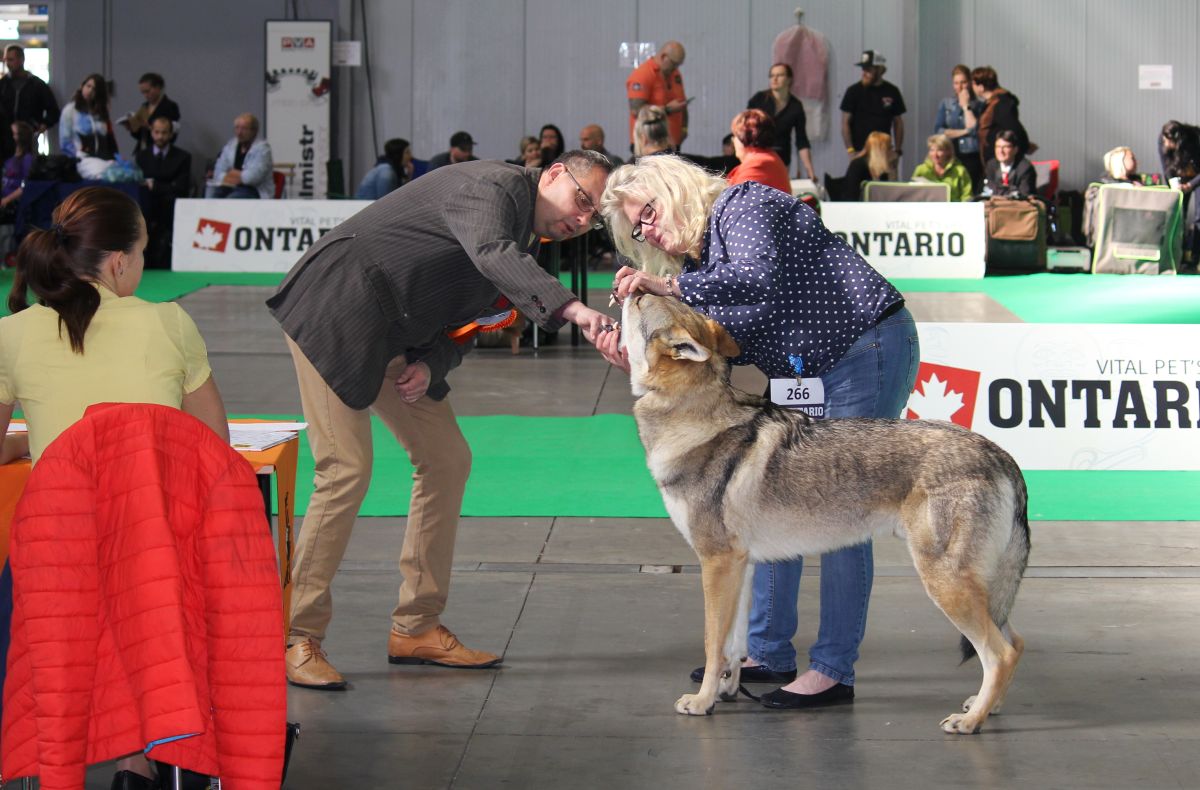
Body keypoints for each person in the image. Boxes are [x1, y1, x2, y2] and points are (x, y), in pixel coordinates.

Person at [265, 150, 616, 690]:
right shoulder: (491, 189)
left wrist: (432, 365)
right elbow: (491, 252)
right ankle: (296, 634)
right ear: (552, 174)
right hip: (336, 310)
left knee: (447, 460)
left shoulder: (525, 237)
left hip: (393, 334)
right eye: (583, 200)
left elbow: (474, 321)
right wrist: (572, 309)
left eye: (594, 216)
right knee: (346, 470)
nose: (583, 219)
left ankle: (416, 626)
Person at [596, 154, 918, 710]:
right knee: (771, 503)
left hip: (863, 350)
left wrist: (664, 284)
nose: (647, 229)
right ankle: (768, 650)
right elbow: (723, 343)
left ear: (673, 188)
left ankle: (833, 668)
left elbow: (754, 281)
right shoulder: (701, 258)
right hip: (803, 372)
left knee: (845, 511)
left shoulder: (742, 206)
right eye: (638, 228)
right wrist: (647, 358)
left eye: (647, 212)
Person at [0, 188, 228, 789]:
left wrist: (28, 444)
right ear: (121, 263)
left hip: (58, 550)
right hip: (149, 542)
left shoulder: (14, 332)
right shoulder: (169, 322)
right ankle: (141, 761)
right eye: (145, 252)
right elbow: (215, 449)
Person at [135, 116, 192, 268]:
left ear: (171, 134)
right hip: (146, 203)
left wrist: (155, 186)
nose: (160, 136)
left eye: (164, 133)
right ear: (151, 133)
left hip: (170, 204)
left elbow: (181, 187)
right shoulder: (142, 156)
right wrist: (167, 185)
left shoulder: (183, 157)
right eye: (157, 132)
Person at [747, 63, 815, 180]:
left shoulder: (796, 106)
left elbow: (801, 140)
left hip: (782, 158)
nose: (775, 79)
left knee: (778, 191)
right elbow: (746, 129)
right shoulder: (759, 99)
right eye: (772, 75)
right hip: (758, 155)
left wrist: (810, 170)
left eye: (780, 75)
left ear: (789, 79)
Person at [840, 50, 905, 159]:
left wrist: (897, 150)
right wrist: (850, 150)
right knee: (858, 176)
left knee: (888, 175)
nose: (864, 73)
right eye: (863, 69)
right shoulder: (853, 91)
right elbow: (845, 123)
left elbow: (898, 122)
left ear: (879, 70)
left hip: (884, 152)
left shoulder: (892, 91)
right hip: (859, 152)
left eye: (868, 70)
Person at [0, 45, 59, 162]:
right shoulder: (3, 85)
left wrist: (42, 125)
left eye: (11, 60)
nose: (8, 63)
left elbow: (53, 110)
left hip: (28, 137)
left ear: (21, 59)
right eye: (6, 60)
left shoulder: (37, 85)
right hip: (4, 138)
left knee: (28, 168)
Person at [626, 41, 688, 150]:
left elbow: (682, 104)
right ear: (664, 57)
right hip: (649, 145)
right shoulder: (643, 74)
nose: (676, 68)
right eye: (674, 64)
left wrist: (684, 129)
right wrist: (667, 110)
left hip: (671, 143)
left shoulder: (675, 74)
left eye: (678, 65)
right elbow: (637, 110)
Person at [934, 64, 981, 190]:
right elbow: (939, 131)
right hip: (951, 153)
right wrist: (965, 131)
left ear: (970, 83)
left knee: (970, 190)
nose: (959, 87)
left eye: (963, 82)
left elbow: (975, 129)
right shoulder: (946, 103)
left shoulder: (978, 105)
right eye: (956, 83)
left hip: (971, 155)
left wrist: (966, 106)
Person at [206, 112, 274, 199]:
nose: (239, 133)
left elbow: (253, 177)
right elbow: (218, 172)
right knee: (210, 194)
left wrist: (231, 173)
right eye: (237, 128)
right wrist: (236, 176)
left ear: (254, 131)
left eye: (244, 129)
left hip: (253, 190)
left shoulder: (263, 149)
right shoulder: (230, 146)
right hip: (229, 187)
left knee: (231, 200)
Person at [972, 66, 1030, 165]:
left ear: (981, 87)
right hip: (992, 160)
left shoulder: (1001, 103)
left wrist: (1024, 146)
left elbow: (1014, 128)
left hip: (1000, 160)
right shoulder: (990, 103)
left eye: (973, 84)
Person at [726, 109, 791, 193]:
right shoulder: (768, 158)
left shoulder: (757, 165)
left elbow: (734, 202)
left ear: (744, 137)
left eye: (734, 136)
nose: (733, 141)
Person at [58, 73, 118, 161]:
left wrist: (116, 158)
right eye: (88, 86)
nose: (89, 91)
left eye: (94, 89)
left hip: (103, 157)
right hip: (79, 158)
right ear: (82, 86)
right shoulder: (70, 110)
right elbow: (65, 142)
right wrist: (77, 155)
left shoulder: (101, 112)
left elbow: (110, 139)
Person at [119, 72, 180, 154]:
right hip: (143, 150)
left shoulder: (170, 106)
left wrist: (150, 127)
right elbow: (140, 135)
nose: (145, 95)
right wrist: (132, 128)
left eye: (147, 91)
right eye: (143, 93)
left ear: (158, 88)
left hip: (159, 151)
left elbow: (171, 134)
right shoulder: (145, 106)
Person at [836, 130, 896, 200]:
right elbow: (851, 196)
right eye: (890, 148)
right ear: (881, 151)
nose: (892, 152)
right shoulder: (857, 165)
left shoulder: (883, 170)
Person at [912, 133, 973, 201]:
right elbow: (914, 194)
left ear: (948, 151)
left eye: (939, 150)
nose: (935, 154)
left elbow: (967, 196)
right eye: (932, 150)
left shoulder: (960, 171)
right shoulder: (921, 170)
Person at [983, 130, 1036, 198]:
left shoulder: (1025, 168)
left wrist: (1001, 190)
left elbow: (1024, 194)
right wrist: (1011, 190)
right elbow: (988, 188)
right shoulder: (991, 165)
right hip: (995, 205)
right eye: (998, 147)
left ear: (1015, 149)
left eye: (1006, 147)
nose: (1001, 151)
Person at [0, 121, 35, 212]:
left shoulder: (27, 158)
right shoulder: (9, 157)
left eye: (13, 134)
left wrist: (6, 200)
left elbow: (26, 185)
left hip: (13, 207)